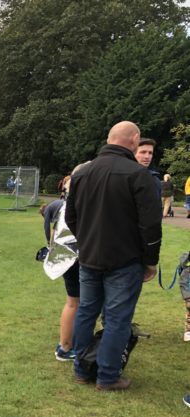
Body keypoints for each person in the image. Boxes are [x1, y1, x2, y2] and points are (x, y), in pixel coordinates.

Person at [65, 121, 161, 391]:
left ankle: (81, 369)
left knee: (86, 311)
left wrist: (86, 239)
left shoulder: (83, 173)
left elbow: (71, 216)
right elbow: (150, 224)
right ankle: (107, 375)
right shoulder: (138, 175)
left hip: (90, 256)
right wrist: (150, 259)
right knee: (117, 318)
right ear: (134, 140)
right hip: (125, 259)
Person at [40, 171, 85, 362]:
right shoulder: (77, 205)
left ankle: (67, 345)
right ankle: (66, 347)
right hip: (74, 258)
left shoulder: (65, 204)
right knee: (75, 302)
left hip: (65, 257)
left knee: (74, 302)